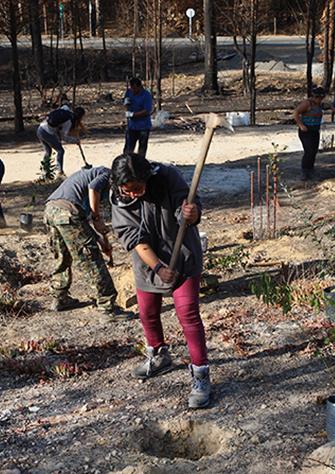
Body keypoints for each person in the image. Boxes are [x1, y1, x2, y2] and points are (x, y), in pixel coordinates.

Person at [110, 153, 211, 409]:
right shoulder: (119, 200)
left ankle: (201, 376)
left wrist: (190, 213)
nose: (134, 193)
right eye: (128, 190)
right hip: (148, 260)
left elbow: (188, 205)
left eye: (138, 187)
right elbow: (134, 239)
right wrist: (158, 267)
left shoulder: (167, 176)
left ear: (147, 176)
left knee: (187, 313)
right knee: (147, 312)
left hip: (182, 254)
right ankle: (158, 355)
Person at [44, 166, 136, 323]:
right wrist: (97, 218)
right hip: (68, 212)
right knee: (92, 260)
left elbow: (80, 225)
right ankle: (107, 307)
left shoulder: (83, 181)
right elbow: (93, 188)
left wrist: (100, 241)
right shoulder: (107, 174)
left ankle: (59, 297)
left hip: (51, 210)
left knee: (63, 255)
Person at [37, 105, 86, 178]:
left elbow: (64, 106)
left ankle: (45, 172)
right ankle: (60, 172)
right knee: (60, 151)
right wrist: (75, 140)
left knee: (48, 152)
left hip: (40, 129)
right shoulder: (68, 121)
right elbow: (64, 137)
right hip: (47, 133)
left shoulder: (66, 111)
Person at [293, 86, 326, 181]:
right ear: (315, 97)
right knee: (309, 151)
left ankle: (311, 169)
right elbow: (296, 113)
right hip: (306, 131)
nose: (320, 100)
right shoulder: (307, 103)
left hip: (315, 131)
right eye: (319, 98)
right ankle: (304, 171)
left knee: (314, 151)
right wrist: (301, 125)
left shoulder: (319, 105)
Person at [123, 77, 153, 158]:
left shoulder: (146, 95)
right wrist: (126, 104)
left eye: (134, 88)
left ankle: (140, 165)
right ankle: (126, 163)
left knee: (142, 149)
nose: (133, 90)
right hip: (131, 126)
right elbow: (126, 104)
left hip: (143, 126)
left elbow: (147, 110)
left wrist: (133, 115)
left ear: (140, 87)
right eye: (131, 88)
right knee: (128, 148)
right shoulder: (129, 92)